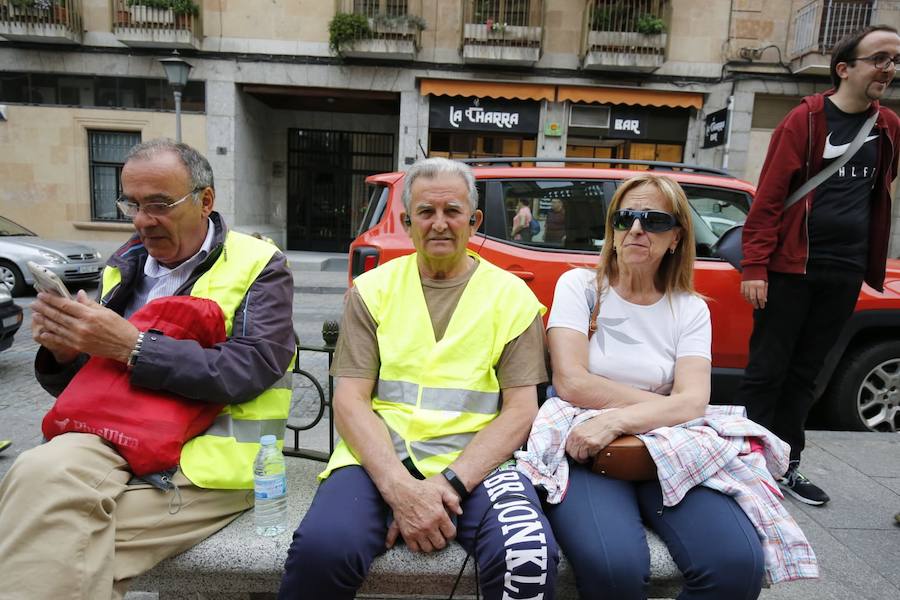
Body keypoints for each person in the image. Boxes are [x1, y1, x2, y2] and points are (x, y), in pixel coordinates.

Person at [0, 139, 296, 599]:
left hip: (204, 463)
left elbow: (253, 367)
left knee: (43, 539)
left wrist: (132, 346)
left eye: (158, 204)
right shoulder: (127, 263)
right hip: (115, 440)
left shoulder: (260, 265)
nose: (141, 220)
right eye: (131, 204)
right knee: (36, 472)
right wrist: (64, 351)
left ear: (205, 200)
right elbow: (98, 380)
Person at [278, 157, 558, 600]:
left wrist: (445, 486)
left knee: (527, 553)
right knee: (322, 550)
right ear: (408, 222)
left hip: (478, 466)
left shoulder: (514, 298)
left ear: (475, 220)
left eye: (453, 211)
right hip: (377, 460)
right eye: (426, 212)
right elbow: (350, 400)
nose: (440, 223)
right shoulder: (372, 291)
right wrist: (399, 489)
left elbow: (522, 409)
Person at [539, 174, 766, 599]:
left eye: (655, 220)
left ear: (677, 237)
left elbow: (694, 400)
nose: (637, 228)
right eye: (626, 217)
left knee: (738, 565)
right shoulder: (580, 287)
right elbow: (570, 382)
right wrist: (672, 405)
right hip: (588, 448)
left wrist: (624, 417)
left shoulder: (691, 309)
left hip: (668, 446)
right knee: (614, 568)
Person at [737, 25, 900, 506]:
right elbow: (768, 198)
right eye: (879, 58)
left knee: (807, 375)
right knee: (767, 371)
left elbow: (878, 191)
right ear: (845, 68)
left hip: (844, 270)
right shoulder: (805, 120)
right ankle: (747, 466)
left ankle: (786, 467)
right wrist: (755, 267)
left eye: (894, 60)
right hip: (790, 268)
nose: (888, 69)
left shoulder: (888, 126)